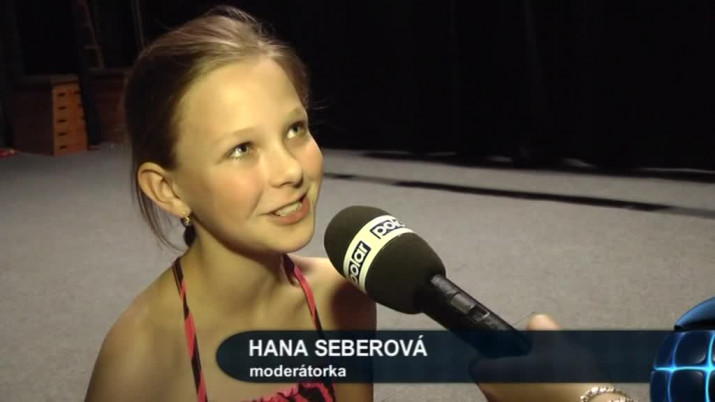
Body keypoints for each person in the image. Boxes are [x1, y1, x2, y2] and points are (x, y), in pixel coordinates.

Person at [85, 6, 375, 402]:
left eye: (295, 129)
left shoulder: (343, 296)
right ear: (168, 190)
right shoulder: (139, 362)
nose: (290, 170)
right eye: (241, 149)